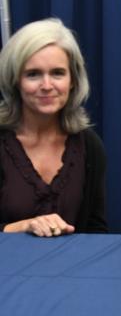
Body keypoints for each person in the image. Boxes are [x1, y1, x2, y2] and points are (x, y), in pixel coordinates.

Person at [0, 18, 106, 236]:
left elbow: (97, 231)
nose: (47, 86)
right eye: (33, 74)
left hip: (72, 268)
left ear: (73, 80)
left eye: (57, 73)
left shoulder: (89, 145)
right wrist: (22, 226)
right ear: (15, 81)